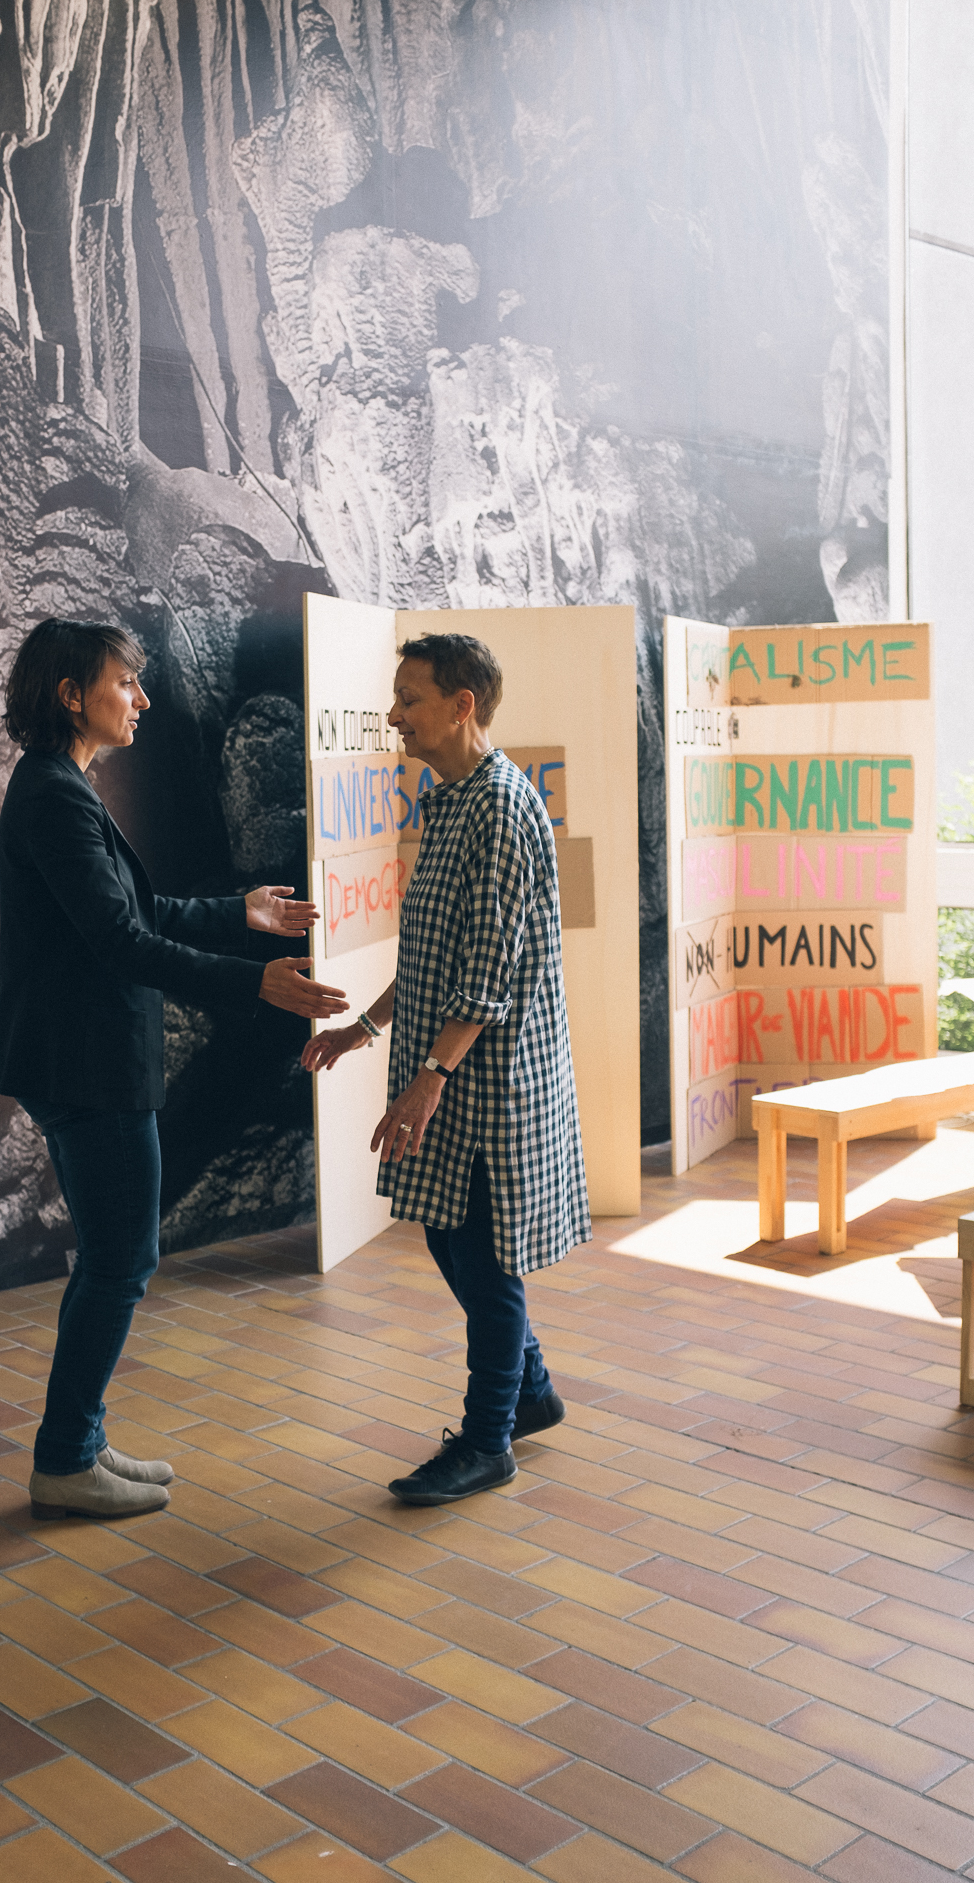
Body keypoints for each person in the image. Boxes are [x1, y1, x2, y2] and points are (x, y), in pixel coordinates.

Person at [0, 618, 347, 1520]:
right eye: (125, 682)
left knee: (114, 1257)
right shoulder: (54, 795)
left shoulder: (59, 785)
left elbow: (138, 910)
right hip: (86, 1065)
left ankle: (79, 1442)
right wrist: (257, 981)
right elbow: (123, 941)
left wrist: (240, 913)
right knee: (121, 1260)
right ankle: (66, 1458)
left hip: (83, 1060)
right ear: (73, 695)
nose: (142, 698)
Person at [303, 633, 590, 1505]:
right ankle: (529, 1391)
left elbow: (488, 973)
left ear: (462, 705)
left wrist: (428, 1079)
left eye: (409, 698)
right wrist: (363, 1028)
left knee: (483, 1256)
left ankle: (488, 1440)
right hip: (450, 1063)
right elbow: (434, 955)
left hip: (488, 1077)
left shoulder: (500, 805)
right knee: (447, 1233)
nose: (394, 715)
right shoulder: (452, 801)